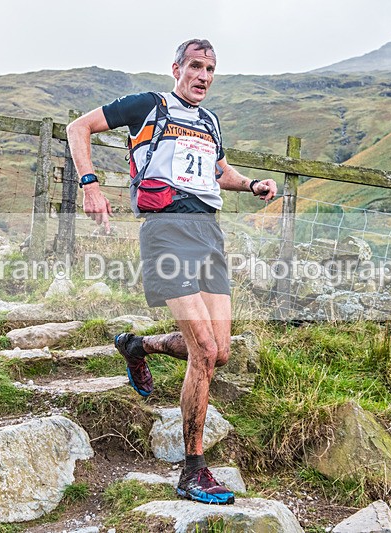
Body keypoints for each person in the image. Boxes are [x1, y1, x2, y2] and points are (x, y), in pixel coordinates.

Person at [67, 38, 277, 505]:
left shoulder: (209, 121)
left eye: (210, 69)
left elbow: (218, 171)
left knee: (220, 352)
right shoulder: (149, 105)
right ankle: (192, 470)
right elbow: (78, 127)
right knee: (203, 349)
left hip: (208, 233)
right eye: (195, 66)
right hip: (166, 230)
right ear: (177, 68)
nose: (203, 76)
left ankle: (136, 346)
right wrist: (90, 185)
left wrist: (251, 184)